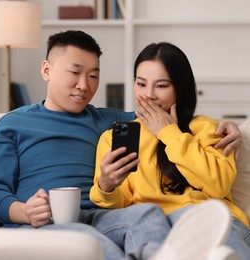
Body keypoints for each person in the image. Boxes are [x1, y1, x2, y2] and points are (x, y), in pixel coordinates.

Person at [0, 31, 242, 259]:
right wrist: (25, 211)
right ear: (46, 69)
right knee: (90, 241)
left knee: (145, 214)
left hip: (100, 216)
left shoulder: (109, 121)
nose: (84, 85)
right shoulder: (11, 126)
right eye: (75, 72)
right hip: (45, 220)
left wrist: (233, 127)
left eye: (93, 76)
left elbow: (164, 119)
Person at [90, 42, 250, 259]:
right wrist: (106, 186)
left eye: (161, 86)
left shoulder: (207, 129)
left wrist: (169, 133)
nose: (149, 95)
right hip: (158, 228)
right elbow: (124, 206)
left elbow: (218, 185)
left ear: (179, 89)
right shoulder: (113, 139)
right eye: (141, 84)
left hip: (213, 219)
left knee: (225, 245)